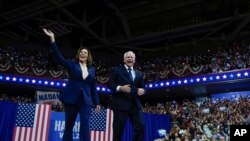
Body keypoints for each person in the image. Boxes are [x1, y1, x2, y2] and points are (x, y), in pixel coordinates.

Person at [43, 28, 101, 141]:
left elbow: (93, 88)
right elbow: (59, 58)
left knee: (85, 125)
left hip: (86, 101)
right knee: (69, 125)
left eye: (85, 52)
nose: (83, 53)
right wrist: (53, 39)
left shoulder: (92, 70)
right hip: (71, 99)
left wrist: (97, 102)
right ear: (78, 54)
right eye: (81, 52)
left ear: (88, 56)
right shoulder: (71, 64)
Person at [108, 51, 146, 141]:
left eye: (132, 57)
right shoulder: (116, 70)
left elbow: (143, 87)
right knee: (118, 130)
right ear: (124, 60)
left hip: (135, 105)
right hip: (120, 104)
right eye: (128, 57)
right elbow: (110, 84)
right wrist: (120, 88)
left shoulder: (140, 73)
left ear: (134, 60)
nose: (130, 59)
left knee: (141, 126)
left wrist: (143, 90)